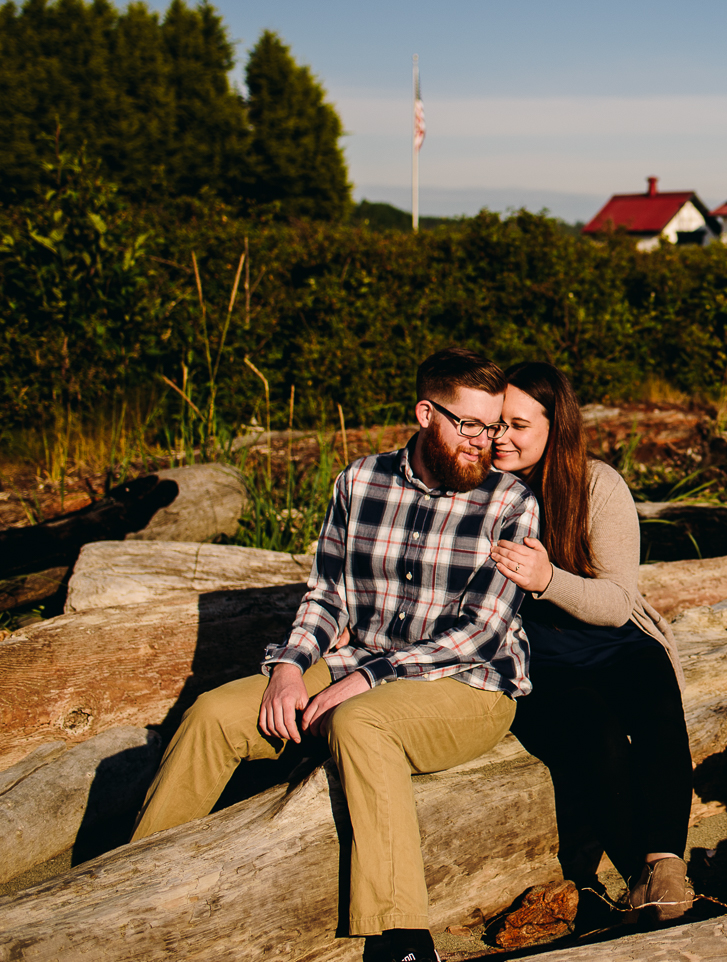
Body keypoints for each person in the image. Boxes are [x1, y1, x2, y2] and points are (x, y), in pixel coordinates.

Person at [132, 347, 539, 962]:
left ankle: (401, 938)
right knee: (214, 713)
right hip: (357, 663)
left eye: (493, 426)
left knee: (359, 720)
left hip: (469, 686)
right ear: (427, 414)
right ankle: (132, 886)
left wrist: (368, 678)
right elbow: (328, 595)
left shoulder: (510, 503)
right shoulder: (360, 480)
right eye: (469, 425)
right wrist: (289, 668)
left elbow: (480, 631)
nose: (484, 441)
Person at [489, 361, 696, 923]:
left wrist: (547, 579)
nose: (501, 437)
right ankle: (638, 873)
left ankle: (667, 863)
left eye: (518, 425)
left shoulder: (597, 484)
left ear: (556, 427)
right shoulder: (478, 492)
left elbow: (617, 603)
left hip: (611, 641)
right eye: (494, 423)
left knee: (655, 696)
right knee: (595, 731)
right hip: (538, 661)